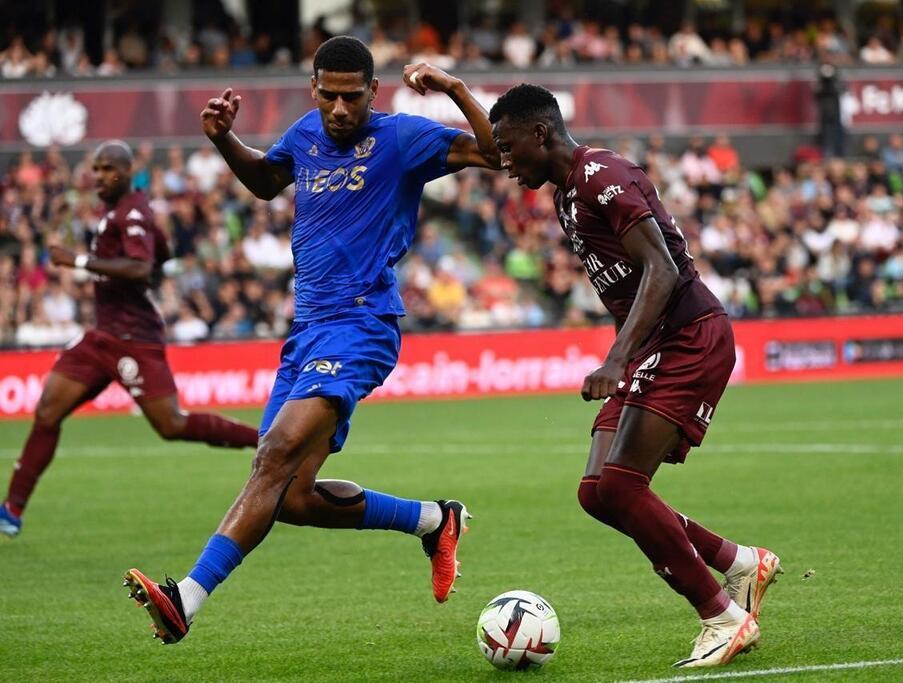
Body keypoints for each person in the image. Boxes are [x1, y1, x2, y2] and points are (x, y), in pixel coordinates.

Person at [123, 36, 499, 644]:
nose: (341, 109)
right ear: (314, 90)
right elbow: (268, 182)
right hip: (306, 332)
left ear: (373, 92)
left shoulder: (402, 137)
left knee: (273, 454)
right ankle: (434, 519)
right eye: (329, 96)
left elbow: (497, 155)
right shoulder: (304, 134)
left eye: (353, 97)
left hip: (361, 325)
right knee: (292, 497)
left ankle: (185, 600)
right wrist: (223, 139)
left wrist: (454, 90)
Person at [485, 84, 782, 669]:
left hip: (688, 337)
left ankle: (722, 617)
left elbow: (663, 269)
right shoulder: (566, 194)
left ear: (540, 133)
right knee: (597, 492)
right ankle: (741, 562)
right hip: (656, 345)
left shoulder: (600, 173)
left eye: (509, 145)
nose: (504, 160)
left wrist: (617, 357)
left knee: (621, 487)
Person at [0, 141, 260, 540]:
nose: (99, 176)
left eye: (107, 169)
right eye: (96, 169)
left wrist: (80, 261)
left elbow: (139, 268)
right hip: (102, 335)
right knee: (48, 409)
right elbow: (163, 252)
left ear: (125, 172)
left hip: (134, 339)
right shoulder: (122, 211)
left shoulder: (132, 211)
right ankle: (12, 508)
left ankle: (264, 442)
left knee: (171, 425)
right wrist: (153, 262)